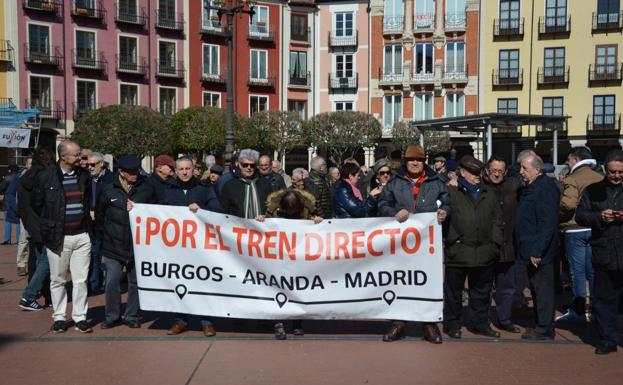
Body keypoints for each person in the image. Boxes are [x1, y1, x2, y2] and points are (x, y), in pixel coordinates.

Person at [377, 144, 450, 344]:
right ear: (405, 162)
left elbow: (447, 201)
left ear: (424, 161)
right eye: (411, 160)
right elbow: (382, 204)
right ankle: (399, 323)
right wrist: (393, 212)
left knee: (428, 281)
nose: (416, 163)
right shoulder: (394, 182)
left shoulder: (436, 181)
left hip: (428, 245)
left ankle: (428, 324)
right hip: (401, 244)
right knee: (400, 281)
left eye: (419, 159)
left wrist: (445, 212)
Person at [32, 140, 94, 333]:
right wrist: (47, 228)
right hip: (58, 237)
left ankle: (80, 317)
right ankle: (59, 317)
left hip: (82, 235)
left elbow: (87, 200)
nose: (80, 158)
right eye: (76, 155)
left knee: (80, 280)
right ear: (63, 156)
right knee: (57, 279)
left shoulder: (84, 176)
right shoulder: (46, 177)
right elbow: (37, 204)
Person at [443, 155, 503, 339]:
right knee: (454, 293)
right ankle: (452, 324)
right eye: (473, 172)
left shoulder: (489, 193)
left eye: (480, 172)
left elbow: (497, 221)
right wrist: (452, 239)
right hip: (458, 251)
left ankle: (480, 324)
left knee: (482, 293)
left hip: (484, 252)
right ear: (462, 173)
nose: (478, 176)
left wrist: (495, 244)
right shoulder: (450, 192)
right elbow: (443, 218)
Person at [163, 157, 221, 337]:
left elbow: (217, 209)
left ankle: (207, 322)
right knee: (179, 283)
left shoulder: (204, 188)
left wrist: (201, 209)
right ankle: (180, 320)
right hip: (177, 248)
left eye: (188, 168)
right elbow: (155, 213)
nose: (185, 172)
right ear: (176, 170)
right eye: (181, 169)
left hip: (199, 247)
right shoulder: (168, 190)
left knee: (202, 283)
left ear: (194, 169)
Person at [97, 155, 156, 329]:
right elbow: (100, 215)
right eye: (130, 172)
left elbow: (155, 212)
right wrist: (105, 237)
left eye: (136, 170)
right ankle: (112, 315)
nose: (134, 174)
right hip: (113, 245)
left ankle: (132, 315)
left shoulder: (147, 188)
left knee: (136, 282)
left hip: (138, 245)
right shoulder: (108, 188)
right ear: (121, 172)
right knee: (112, 281)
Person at [576, 149, 623, 354]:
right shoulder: (592, 190)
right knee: (604, 300)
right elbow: (580, 215)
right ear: (605, 169)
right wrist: (599, 217)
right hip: (604, 252)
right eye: (613, 172)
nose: (616, 176)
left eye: (621, 172)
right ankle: (608, 339)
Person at [266, 189, 322, 339]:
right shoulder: (273, 208)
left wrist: (317, 221)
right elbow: (265, 224)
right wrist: (261, 220)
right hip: (279, 254)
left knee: (297, 288)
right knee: (277, 288)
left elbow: (320, 223)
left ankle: (297, 322)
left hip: (298, 254)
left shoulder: (308, 207)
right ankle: (278, 323)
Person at [516, 151, 560, 340]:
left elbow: (547, 223)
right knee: (536, 288)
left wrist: (537, 251)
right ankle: (541, 323)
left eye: (524, 168)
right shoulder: (532, 186)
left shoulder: (546, 187)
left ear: (537, 169)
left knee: (543, 290)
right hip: (529, 248)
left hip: (540, 251)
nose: (521, 171)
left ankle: (544, 328)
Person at [558, 147, 603, 323]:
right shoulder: (599, 177)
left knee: (577, 272)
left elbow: (568, 204)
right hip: (595, 227)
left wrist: (559, 216)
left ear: (576, 159)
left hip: (575, 228)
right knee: (592, 271)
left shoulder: (572, 178)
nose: (567, 163)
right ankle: (594, 308)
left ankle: (577, 311)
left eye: (569, 160)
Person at [483, 155, 523, 333]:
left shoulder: (514, 186)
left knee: (506, 288)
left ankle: (504, 319)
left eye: (500, 171)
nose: (497, 174)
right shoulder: (480, 187)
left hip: (508, 246)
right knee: (482, 287)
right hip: (485, 246)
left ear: (505, 172)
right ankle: (481, 321)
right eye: (493, 171)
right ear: (487, 170)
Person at [17, 148, 55, 311]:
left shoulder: (24, 177)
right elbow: (46, 202)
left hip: (30, 224)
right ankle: (29, 295)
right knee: (46, 261)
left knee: (40, 261)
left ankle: (45, 295)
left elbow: (22, 206)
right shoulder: (44, 176)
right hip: (43, 223)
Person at [86, 152, 113, 293]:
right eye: (87, 165)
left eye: (92, 164)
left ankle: (110, 285)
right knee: (94, 254)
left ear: (101, 164)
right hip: (93, 225)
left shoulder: (112, 179)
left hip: (108, 224)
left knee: (109, 257)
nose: (89, 168)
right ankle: (94, 284)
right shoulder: (86, 179)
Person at [220, 149, 272, 219]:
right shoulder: (229, 186)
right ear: (240, 165)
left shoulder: (265, 184)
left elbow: (271, 207)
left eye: (252, 165)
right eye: (245, 165)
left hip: (261, 227)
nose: (249, 168)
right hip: (238, 227)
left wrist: (266, 216)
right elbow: (223, 211)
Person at [16, 157, 32, 276]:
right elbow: (18, 198)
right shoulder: (21, 178)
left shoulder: (40, 176)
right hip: (25, 214)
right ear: (26, 165)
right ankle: (21, 264)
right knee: (23, 240)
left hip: (37, 214)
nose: (31, 165)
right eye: (29, 163)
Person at [1, 164, 21, 245]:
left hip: (7, 202)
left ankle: (7, 239)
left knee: (7, 221)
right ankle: (18, 240)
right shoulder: (20, 177)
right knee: (18, 221)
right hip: (17, 201)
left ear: (10, 170)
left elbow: (1, 188)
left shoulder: (7, 178)